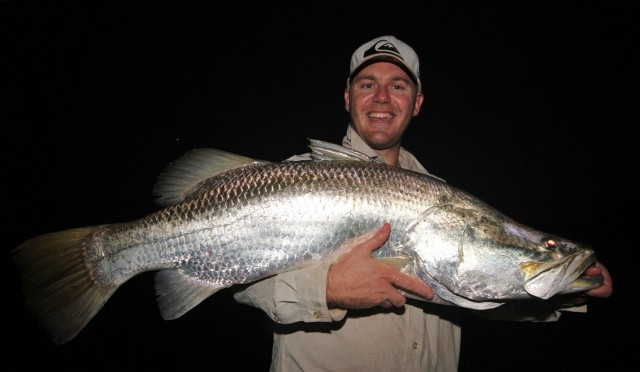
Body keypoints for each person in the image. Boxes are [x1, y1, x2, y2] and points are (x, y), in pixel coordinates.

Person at [232, 35, 613, 372]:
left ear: (417, 103)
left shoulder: (443, 198)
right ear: (348, 98)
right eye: (368, 84)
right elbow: (241, 281)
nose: (382, 97)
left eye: (398, 86)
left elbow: (480, 288)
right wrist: (327, 288)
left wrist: (566, 292)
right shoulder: (293, 179)